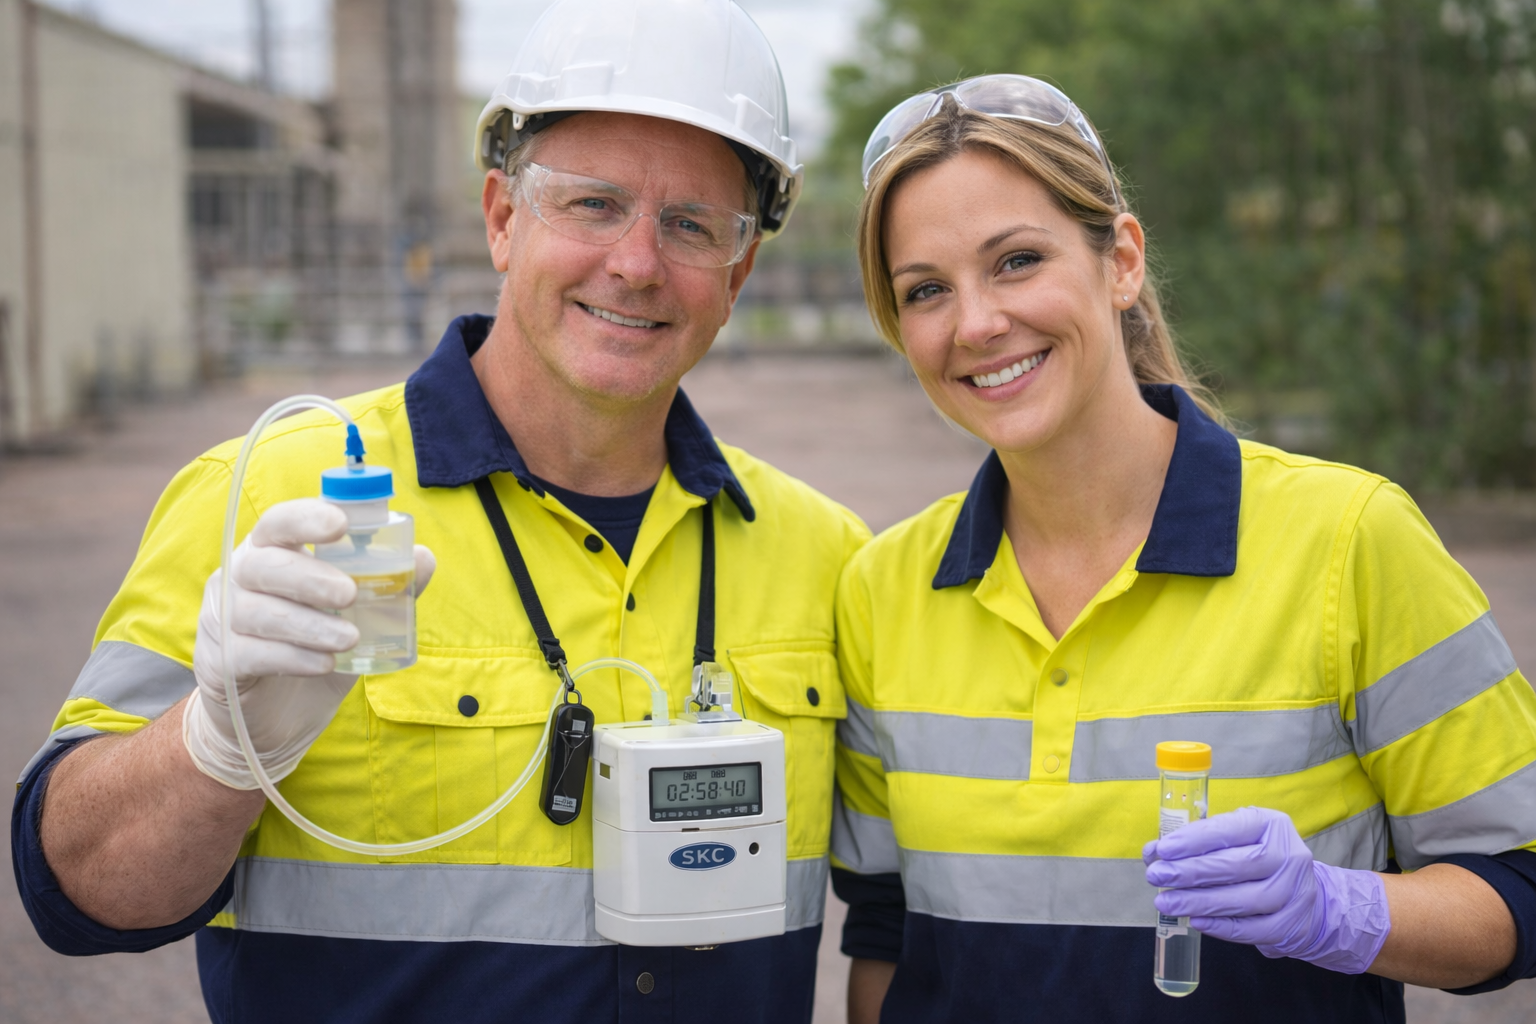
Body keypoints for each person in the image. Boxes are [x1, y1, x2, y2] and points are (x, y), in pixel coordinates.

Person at [11, 2, 868, 1021]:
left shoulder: (829, 558)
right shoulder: (277, 497)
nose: (637, 262)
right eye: (593, 204)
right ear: (503, 218)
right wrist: (216, 747)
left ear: (740, 271)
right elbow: (78, 893)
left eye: (691, 224)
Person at [829, 74, 1536, 1023]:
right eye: (926, 291)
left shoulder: (1347, 542)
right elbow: (886, 937)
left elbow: (1520, 884)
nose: (977, 324)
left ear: (1120, 262)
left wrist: (1340, 912)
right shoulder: (883, 590)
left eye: (1017, 260)